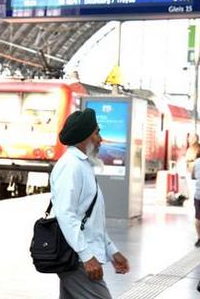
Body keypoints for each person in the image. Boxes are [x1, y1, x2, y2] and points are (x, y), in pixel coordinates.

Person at [50, 108, 130, 299]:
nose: (100, 139)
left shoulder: (83, 165)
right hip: (76, 258)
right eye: (97, 133)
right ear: (83, 137)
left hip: (78, 254)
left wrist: (112, 251)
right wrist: (86, 256)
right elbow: (65, 214)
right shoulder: (71, 166)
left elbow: (90, 218)